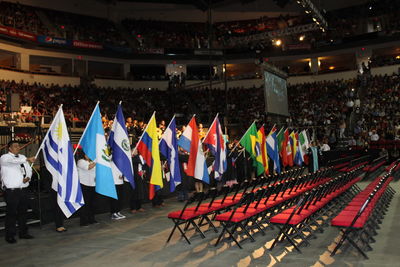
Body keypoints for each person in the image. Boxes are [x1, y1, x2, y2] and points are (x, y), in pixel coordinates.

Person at [0, 140, 35, 244]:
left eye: (18, 146)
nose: (18, 147)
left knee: (23, 212)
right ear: (9, 148)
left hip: (23, 189)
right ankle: (10, 235)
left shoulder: (22, 157)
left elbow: (29, 169)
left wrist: (28, 177)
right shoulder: (4, 158)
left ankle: (23, 232)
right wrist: (27, 159)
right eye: (15, 146)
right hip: (12, 190)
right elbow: (13, 162)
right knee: (11, 213)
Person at [76, 150, 97, 226]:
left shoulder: (92, 161)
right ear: (83, 155)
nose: (89, 155)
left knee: (92, 203)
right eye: (87, 154)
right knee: (85, 204)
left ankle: (92, 219)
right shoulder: (80, 161)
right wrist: (97, 160)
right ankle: (84, 221)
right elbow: (89, 167)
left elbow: (95, 171)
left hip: (92, 185)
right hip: (84, 185)